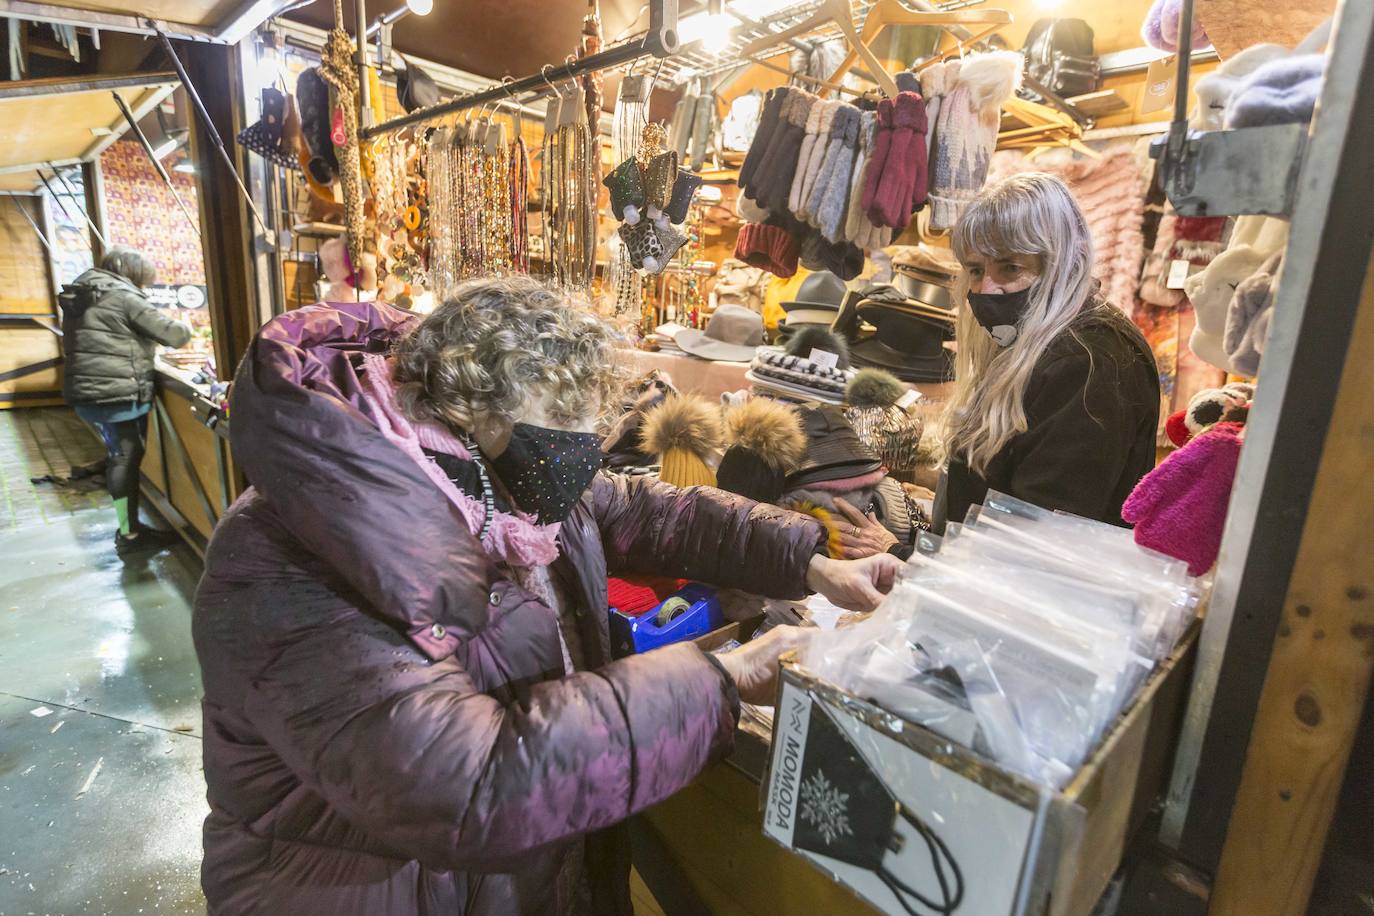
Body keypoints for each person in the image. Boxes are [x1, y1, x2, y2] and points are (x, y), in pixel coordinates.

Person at [193, 278, 903, 915]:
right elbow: (463, 785)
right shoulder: (300, 552)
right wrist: (721, 678)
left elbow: (644, 511)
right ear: (478, 409)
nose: (587, 449)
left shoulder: (490, 481)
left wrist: (810, 557)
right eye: (567, 423)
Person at [931, 172, 1160, 532]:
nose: (986, 289)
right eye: (975, 270)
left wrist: (904, 554)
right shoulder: (1042, 344)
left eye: (1010, 267)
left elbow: (1036, 537)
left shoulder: (1089, 358)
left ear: (1063, 262)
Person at [60, 247, 191, 556]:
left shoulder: (86, 291)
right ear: (132, 275)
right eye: (143, 281)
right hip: (116, 392)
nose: (143, 287)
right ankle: (130, 535)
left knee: (118, 456)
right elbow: (175, 335)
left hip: (89, 390)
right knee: (124, 459)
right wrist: (182, 323)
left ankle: (128, 527)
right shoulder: (122, 296)